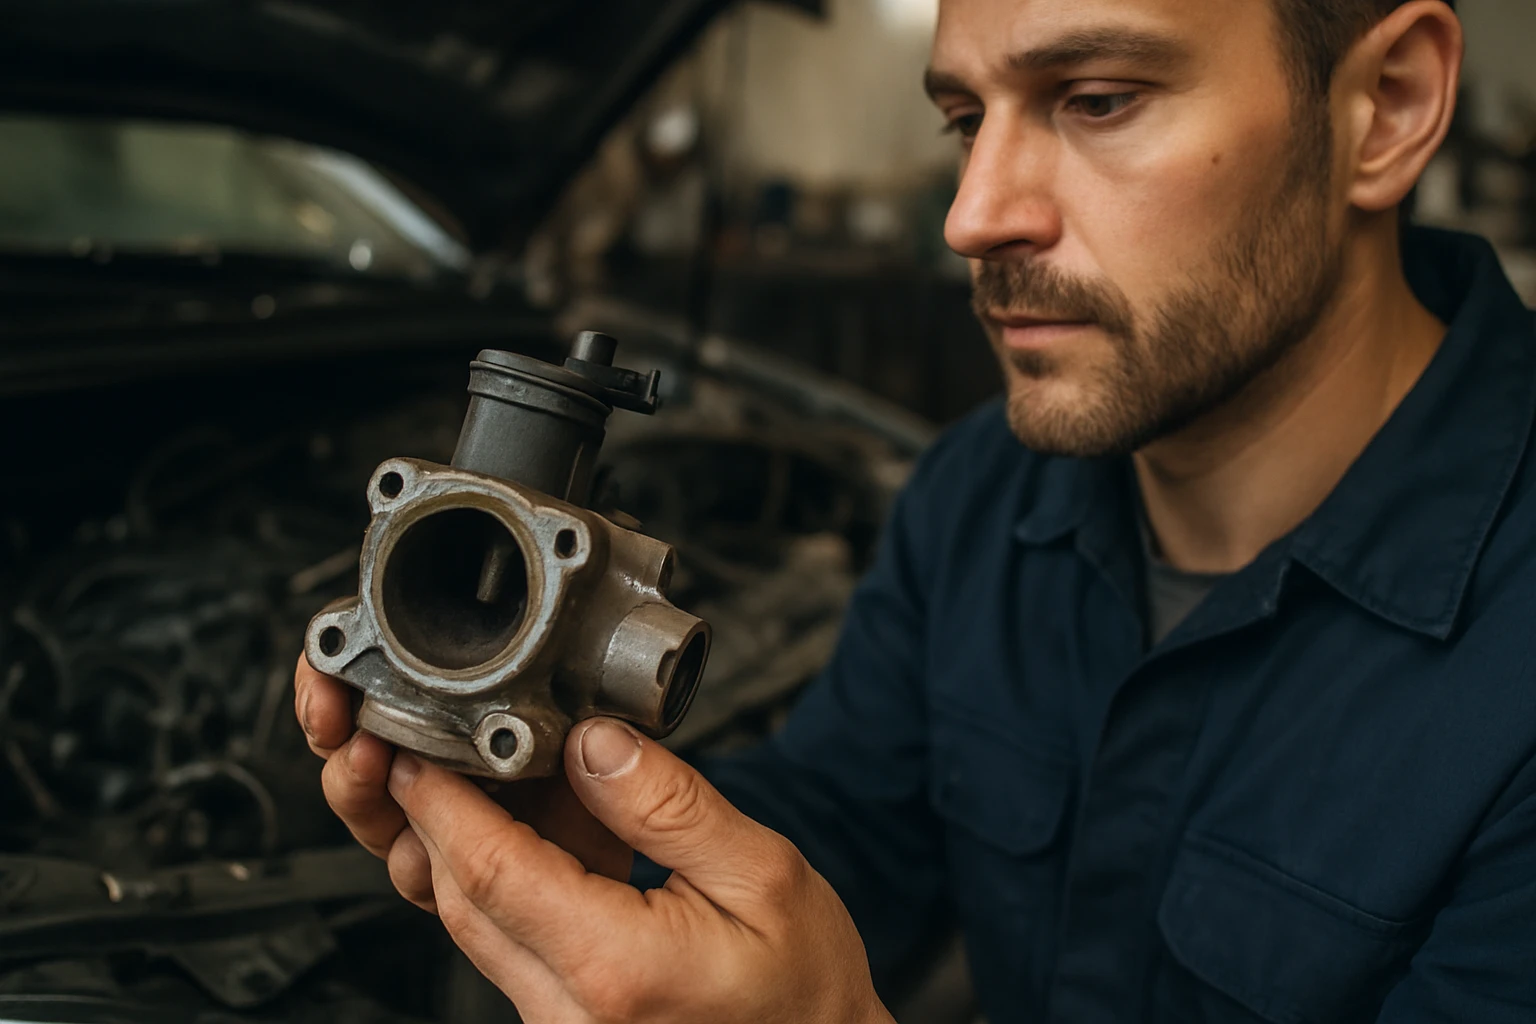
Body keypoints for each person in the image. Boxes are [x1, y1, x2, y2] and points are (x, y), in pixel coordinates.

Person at [294, 0, 1536, 1019]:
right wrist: (603, 855)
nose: (973, 215)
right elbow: (846, 834)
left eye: (1097, 98)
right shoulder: (980, 495)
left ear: (1388, 108)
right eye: (962, 117)